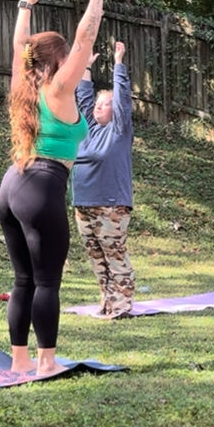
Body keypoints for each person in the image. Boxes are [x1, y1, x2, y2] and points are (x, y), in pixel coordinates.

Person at [0, 0, 108, 374]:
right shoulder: (60, 89)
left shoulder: (22, 83)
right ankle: (46, 363)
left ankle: (19, 362)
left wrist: (25, 5)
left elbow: (19, 47)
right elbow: (84, 37)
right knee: (47, 282)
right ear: (59, 62)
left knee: (24, 280)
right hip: (42, 187)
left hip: (12, 187)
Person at [73, 40, 135, 318]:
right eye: (98, 103)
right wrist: (86, 66)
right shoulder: (87, 129)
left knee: (114, 254)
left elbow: (122, 99)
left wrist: (118, 63)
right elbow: (84, 97)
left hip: (111, 205)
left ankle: (122, 305)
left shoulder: (119, 131)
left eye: (105, 104)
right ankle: (107, 301)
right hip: (83, 204)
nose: (99, 107)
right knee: (97, 258)